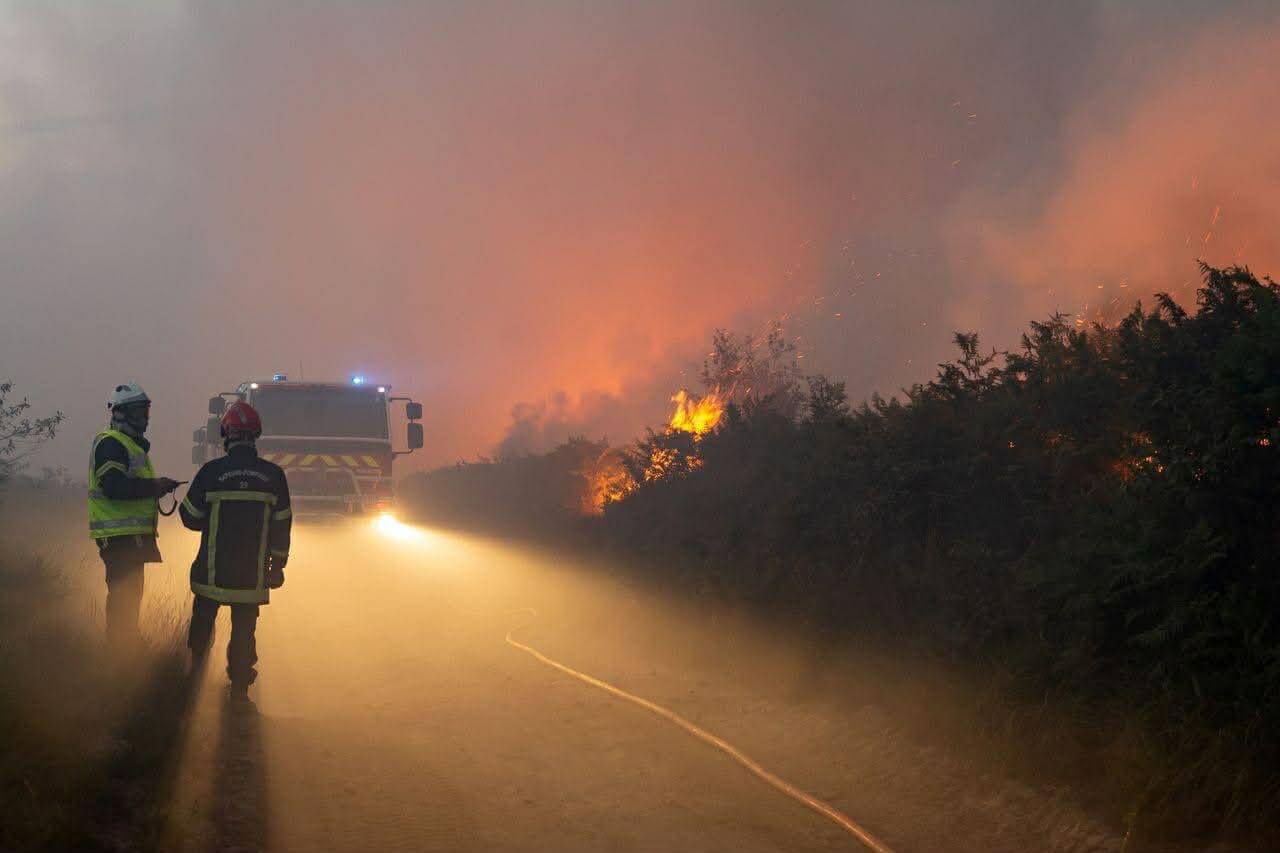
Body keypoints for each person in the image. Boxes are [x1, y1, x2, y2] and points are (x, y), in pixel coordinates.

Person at [180, 400, 291, 701]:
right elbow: (282, 525)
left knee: (203, 623)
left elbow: (189, 516)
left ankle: (194, 679)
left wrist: (213, 518)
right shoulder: (274, 476)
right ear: (256, 435)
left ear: (226, 434)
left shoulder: (211, 472)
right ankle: (240, 691)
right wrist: (277, 567)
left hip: (211, 573)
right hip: (250, 576)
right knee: (244, 630)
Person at [88, 383, 183, 644]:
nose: (143, 419)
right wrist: (155, 486)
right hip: (119, 537)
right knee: (123, 598)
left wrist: (157, 486)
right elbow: (113, 486)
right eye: (137, 413)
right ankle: (119, 654)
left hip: (128, 536)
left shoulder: (129, 445)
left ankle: (127, 649)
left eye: (145, 412)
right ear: (120, 413)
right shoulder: (111, 444)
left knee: (130, 596)